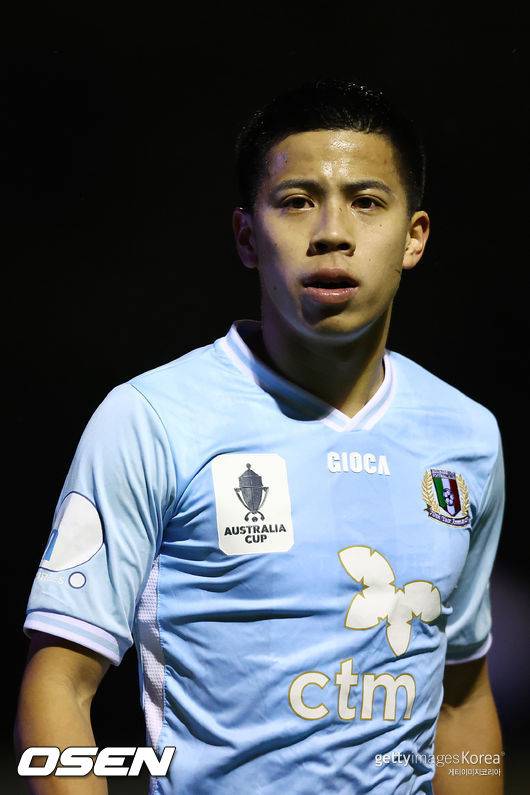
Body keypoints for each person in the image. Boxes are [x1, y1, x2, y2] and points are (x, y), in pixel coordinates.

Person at [15, 78, 505, 794]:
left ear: (414, 237)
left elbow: (462, 697)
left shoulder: (466, 435)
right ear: (248, 236)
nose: (332, 231)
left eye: (367, 202)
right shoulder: (152, 418)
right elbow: (60, 683)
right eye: (298, 200)